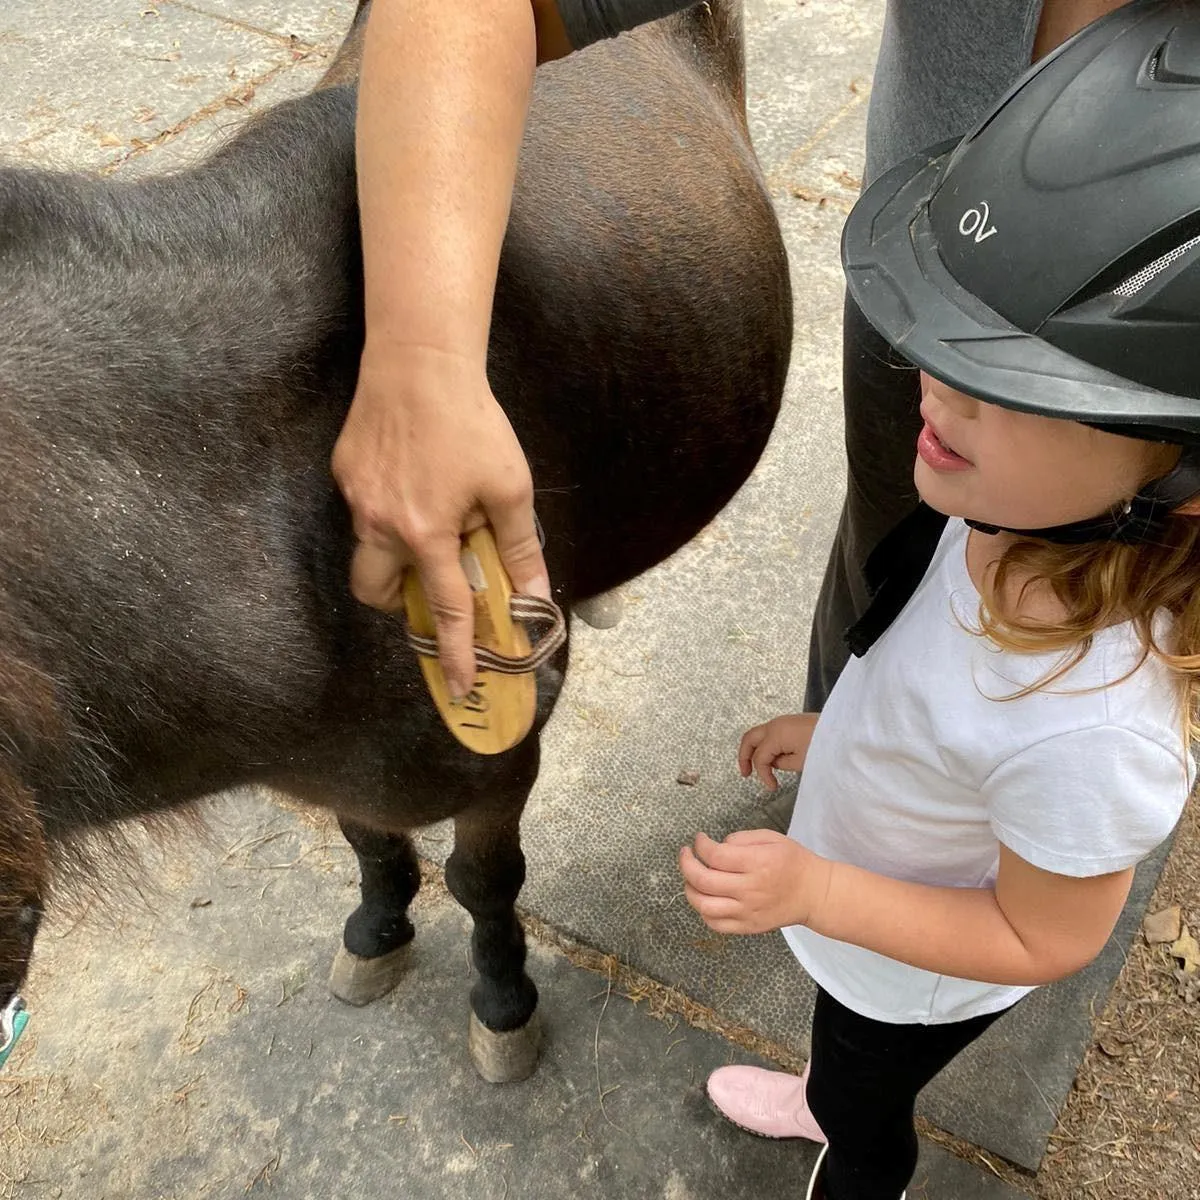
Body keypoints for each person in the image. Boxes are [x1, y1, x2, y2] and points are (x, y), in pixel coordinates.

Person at [678, 4, 1200, 1197]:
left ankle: (855, 1158)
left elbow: (1045, 936)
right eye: (947, 341)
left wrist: (815, 888)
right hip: (866, 893)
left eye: (1011, 383)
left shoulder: (1096, 730)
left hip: (909, 977)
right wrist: (840, 733)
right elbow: (935, 698)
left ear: (1178, 474)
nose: (933, 386)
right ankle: (825, 1092)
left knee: (869, 1093)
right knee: (835, 1048)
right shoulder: (1007, 521)